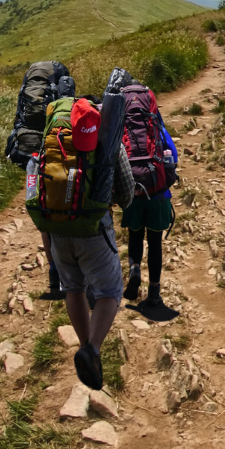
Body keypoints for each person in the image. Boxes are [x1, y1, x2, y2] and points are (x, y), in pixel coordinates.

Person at [26, 82, 131, 391]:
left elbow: (35, 184)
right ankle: (92, 349)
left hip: (57, 227)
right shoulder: (104, 133)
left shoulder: (50, 140)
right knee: (110, 290)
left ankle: (85, 343)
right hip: (92, 228)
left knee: (73, 286)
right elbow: (125, 191)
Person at [5, 62, 76, 301]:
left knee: (44, 215)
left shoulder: (28, 88)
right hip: (56, 153)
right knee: (65, 204)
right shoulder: (61, 84)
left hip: (31, 154)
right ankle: (74, 274)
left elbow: (18, 118)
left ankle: (54, 277)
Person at [118, 79, 181, 322]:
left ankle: (134, 269)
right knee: (155, 242)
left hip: (133, 190)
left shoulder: (123, 129)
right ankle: (154, 292)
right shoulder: (157, 127)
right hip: (157, 193)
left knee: (135, 235)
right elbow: (172, 157)